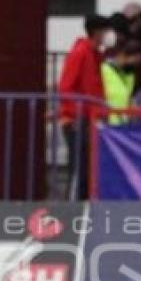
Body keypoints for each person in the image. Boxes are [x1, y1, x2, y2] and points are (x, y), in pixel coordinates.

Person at [57, 14, 109, 200]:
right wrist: (76, 114)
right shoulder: (81, 53)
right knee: (79, 168)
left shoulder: (95, 55)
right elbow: (65, 87)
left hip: (90, 118)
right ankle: (73, 208)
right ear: (97, 32)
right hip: (78, 120)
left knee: (88, 168)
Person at [100, 39, 141, 125]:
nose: (135, 66)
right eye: (134, 61)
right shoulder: (103, 70)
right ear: (122, 55)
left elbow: (128, 98)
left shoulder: (130, 75)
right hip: (105, 125)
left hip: (122, 126)